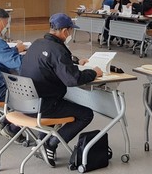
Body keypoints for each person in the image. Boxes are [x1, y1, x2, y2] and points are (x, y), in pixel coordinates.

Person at [20, 13, 102, 166]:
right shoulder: (57, 49)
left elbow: (54, 61)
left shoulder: (37, 43)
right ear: (65, 31)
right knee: (86, 114)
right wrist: (93, 73)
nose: (70, 34)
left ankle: (42, 141)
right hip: (42, 106)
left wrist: (75, 61)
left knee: (57, 101)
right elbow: (72, 80)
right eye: (70, 31)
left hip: (23, 102)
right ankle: (51, 143)